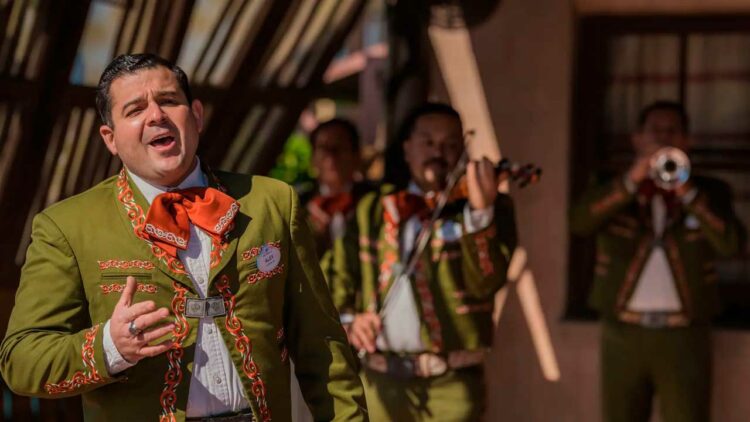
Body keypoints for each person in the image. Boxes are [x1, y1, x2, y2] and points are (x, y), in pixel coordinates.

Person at [0, 53, 367, 422]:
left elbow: (322, 344)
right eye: (134, 109)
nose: (156, 115)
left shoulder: (272, 202)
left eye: (169, 101)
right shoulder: (68, 225)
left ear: (196, 115)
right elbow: (22, 360)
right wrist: (110, 346)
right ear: (110, 139)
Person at [329, 102, 517, 421]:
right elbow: (335, 278)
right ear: (407, 148)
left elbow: (486, 282)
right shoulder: (371, 209)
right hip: (380, 380)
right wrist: (350, 321)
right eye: (428, 142)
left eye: (450, 144)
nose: (438, 152)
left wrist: (481, 213)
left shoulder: (490, 209)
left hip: (452, 384)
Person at [570, 101, 745, 422]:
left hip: (684, 333)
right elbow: (580, 223)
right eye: (656, 131)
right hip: (623, 331)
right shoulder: (607, 184)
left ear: (687, 141)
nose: (665, 138)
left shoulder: (711, 191)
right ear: (637, 139)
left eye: (673, 132)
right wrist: (631, 180)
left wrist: (688, 193)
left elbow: (731, 245)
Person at [298, 118, 374, 257]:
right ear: (313, 158)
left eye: (339, 148)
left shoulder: (375, 202)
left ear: (357, 156)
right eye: (323, 148)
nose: (331, 157)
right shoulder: (298, 204)